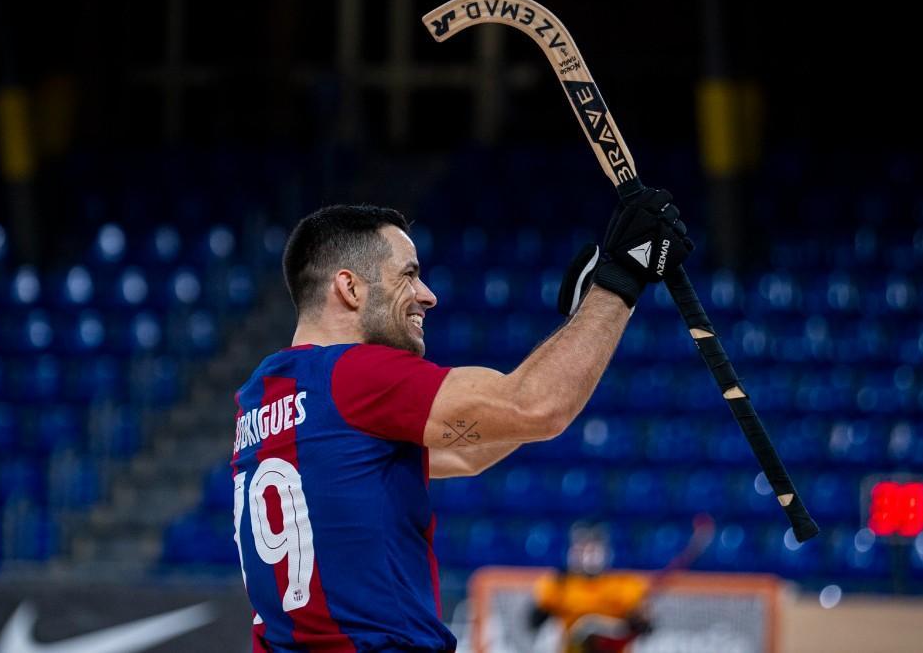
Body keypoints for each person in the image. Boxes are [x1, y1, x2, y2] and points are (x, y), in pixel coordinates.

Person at [230, 188, 693, 651]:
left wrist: (579, 331)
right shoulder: (354, 374)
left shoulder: (261, 397)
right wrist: (623, 276)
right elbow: (537, 407)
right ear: (350, 288)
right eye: (408, 275)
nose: (427, 296)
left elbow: (470, 451)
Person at [528, 523, 652, 653]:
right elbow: (533, 623)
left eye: (593, 549)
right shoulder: (560, 585)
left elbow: (644, 629)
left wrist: (638, 620)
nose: (588, 555)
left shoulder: (624, 585)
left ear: (606, 552)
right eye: (582, 549)